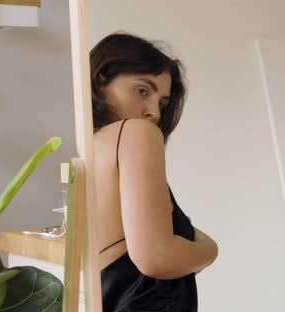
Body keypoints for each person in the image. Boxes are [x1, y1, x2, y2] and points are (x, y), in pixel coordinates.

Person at [91, 32, 219, 311]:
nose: (154, 112)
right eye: (142, 90)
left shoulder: (90, 149)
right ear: (102, 80)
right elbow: (155, 257)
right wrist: (211, 251)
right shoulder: (136, 132)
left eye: (162, 102)